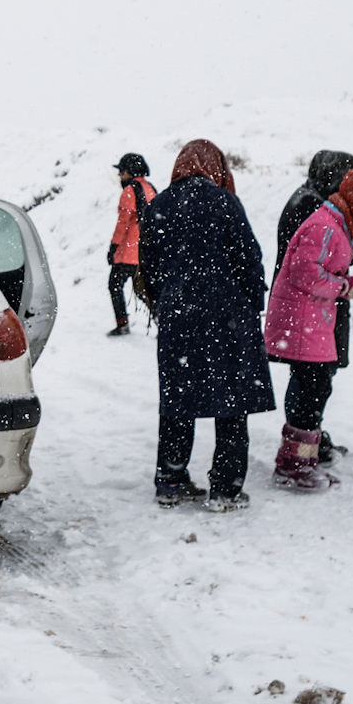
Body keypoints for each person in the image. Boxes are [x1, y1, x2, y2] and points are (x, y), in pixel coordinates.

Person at [139, 140, 276, 512]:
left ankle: (171, 479)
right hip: (226, 314)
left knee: (178, 398)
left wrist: (162, 304)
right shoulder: (225, 202)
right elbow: (250, 259)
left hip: (179, 315)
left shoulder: (159, 205)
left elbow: (148, 266)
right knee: (230, 401)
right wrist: (251, 305)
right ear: (217, 167)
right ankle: (226, 489)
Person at [264, 169, 353, 490]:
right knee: (311, 394)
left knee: (316, 391)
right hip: (303, 323)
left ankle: (304, 460)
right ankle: (293, 465)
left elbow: (319, 271)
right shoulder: (324, 227)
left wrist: (344, 283)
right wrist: (340, 288)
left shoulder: (334, 225)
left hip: (312, 322)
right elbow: (304, 274)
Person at [274, 150, 353, 272]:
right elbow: (328, 257)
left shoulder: (308, 195)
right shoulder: (310, 205)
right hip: (305, 288)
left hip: (299, 287)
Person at [106, 153, 157, 336]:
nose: (120, 176)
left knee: (114, 285)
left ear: (129, 172)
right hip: (144, 252)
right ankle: (163, 322)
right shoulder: (150, 189)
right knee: (144, 290)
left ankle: (122, 324)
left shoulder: (129, 192)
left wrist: (114, 247)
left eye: (121, 172)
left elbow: (123, 223)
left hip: (128, 251)